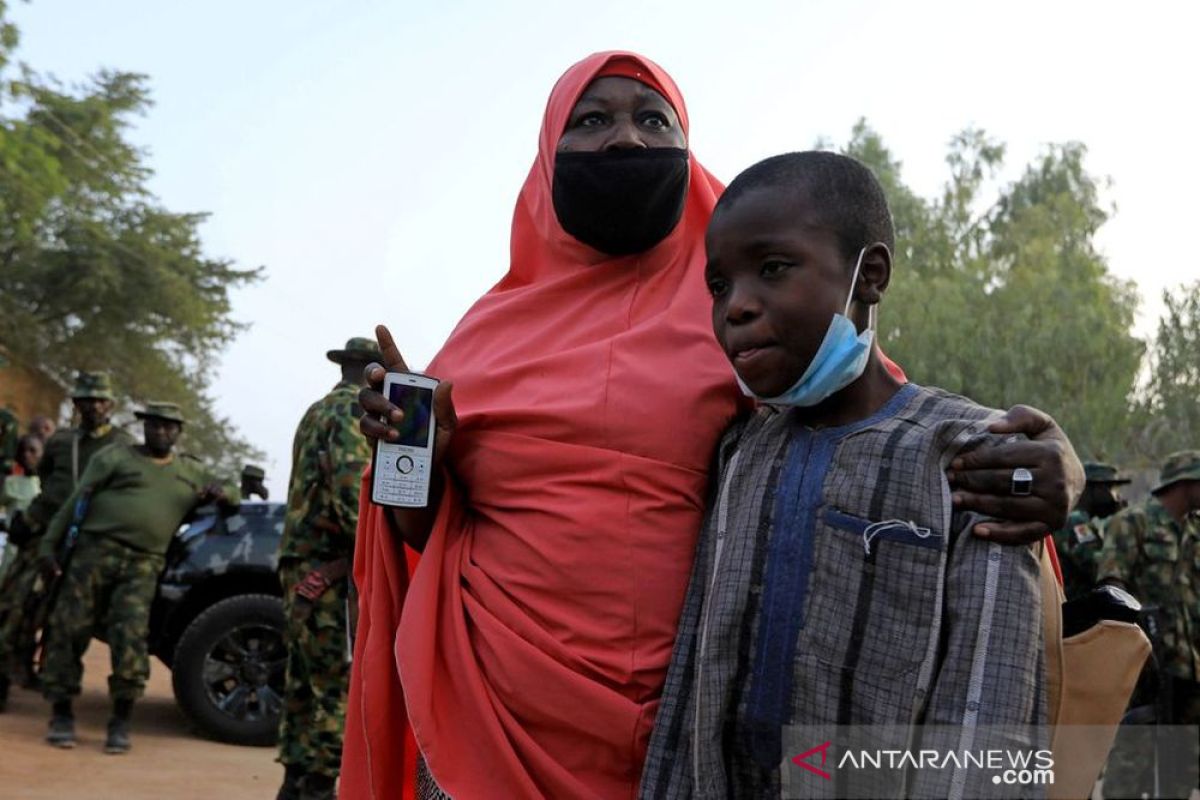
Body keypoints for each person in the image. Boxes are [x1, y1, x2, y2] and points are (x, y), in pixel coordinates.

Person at [345, 52, 1083, 799]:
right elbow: (431, 537)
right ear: (546, 158)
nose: (627, 141)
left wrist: (1053, 465)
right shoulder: (478, 344)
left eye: (653, 119)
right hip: (493, 725)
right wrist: (420, 464)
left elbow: (886, 426)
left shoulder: (749, 327)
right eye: (592, 120)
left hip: (690, 745)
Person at [639, 151, 1048, 798]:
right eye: (719, 286)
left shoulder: (968, 452)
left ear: (870, 275)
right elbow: (693, 678)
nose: (737, 307)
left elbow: (989, 699)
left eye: (773, 269)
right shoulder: (739, 454)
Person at [37, 401, 239, 753]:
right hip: (93, 554)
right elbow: (73, 503)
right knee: (68, 631)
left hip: (143, 564)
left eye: (168, 426)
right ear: (144, 427)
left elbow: (231, 493)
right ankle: (62, 713)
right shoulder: (114, 458)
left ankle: (120, 721)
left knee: (129, 638)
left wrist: (223, 495)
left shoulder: (189, 471)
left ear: (178, 432)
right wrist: (48, 547)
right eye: (154, 425)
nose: (161, 431)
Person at [275, 337, 378, 800]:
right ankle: (317, 788)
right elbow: (350, 496)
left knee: (303, 683)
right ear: (372, 372)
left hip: (303, 567)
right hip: (330, 574)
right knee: (334, 684)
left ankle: (294, 783)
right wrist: (374, 556)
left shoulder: (316, 411)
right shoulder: (351, 414)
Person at [0, 371, 133, 709]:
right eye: (86, 401)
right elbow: (49, 486)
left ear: (110, 404)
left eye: (100, 400)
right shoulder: (61, 442)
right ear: (76, 404)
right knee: (14, 603)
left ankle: (54, 679)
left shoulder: (124, 446)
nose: (93, 407)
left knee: (67, 618)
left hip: (91, 541)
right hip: (45, 535)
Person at [1097, 450, 1200, 798]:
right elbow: (1112, 585)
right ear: (1187, 483)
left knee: (1182, 764)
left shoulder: (1195, 531)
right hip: (1144, 664)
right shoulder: (1133, 523)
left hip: (1189, 666)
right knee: (1132, 760)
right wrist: (1135, 637)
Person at [1052, 461, 1130, 600]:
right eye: (1111, 488)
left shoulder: (1079, 519)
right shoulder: (1076, 521)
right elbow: (1096, 567)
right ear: (1093, 489)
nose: (1117, 497)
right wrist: (1121, 524)